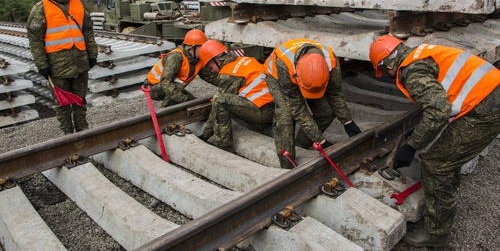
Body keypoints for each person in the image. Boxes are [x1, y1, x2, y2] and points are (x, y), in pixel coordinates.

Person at [369, 35, 500, 248]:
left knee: (435, 166)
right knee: (448, 155)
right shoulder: (421, 53)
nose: (387, 75)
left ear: (387, 64)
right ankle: (444, 198)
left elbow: (439, 111)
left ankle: (436, 233)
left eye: (383, 71)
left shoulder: (412, 71)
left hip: (485, 109)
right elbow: (442, 97)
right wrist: (417, 133)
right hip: (489, 96)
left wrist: (411, 147)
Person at [264, 38, 362, 169]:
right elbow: (297, 108)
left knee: (326, 112)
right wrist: (320, 140)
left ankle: (302, 143)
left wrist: (348, 122)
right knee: (285, 116)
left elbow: (335, 93)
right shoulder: (284, 64)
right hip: (277, 77)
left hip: (304, 76)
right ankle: (287, 163)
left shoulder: (331, 62)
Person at [27, 0, 98, 134]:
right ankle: (67, 136)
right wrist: (42, 64)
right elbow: (35, 40)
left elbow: (87, 31)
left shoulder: (78, 4)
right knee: (62, 104)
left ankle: (83, 132)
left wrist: (92, 54)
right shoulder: (41, 9)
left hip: (80, 63)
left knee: (80, 101)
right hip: (57, 66)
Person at [197, 40, 275, 152]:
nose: (212, 71)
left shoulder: (228, 74)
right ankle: (263, 129)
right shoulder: (246, 59)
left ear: (217, 60)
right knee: (232, 102)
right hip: (275, 107)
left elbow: (217, 109)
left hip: (264, 112)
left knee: (219, 101)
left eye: (210, 67)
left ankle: (225, 147)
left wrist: (205, 135)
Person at [144, 29, 218, 107]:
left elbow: (211, 77)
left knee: (195, 103)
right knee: (182, 97)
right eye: (202, 47)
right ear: (192, 47)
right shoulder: (176, 57)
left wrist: (229, 85)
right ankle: (165, 111)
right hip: (152, 88)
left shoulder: (197, 60)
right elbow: (165, 82)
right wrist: (183, 100)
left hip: (174, 86)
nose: (205, 50)